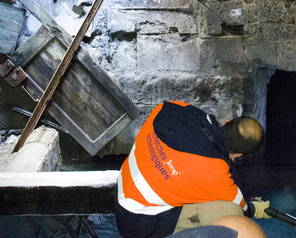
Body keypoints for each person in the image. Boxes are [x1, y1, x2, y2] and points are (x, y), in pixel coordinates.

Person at [115, 101, 272, 238]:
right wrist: (253, 209)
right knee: (232, 213)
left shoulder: (173, 108)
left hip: (122, 189)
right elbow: (241, 205)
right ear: (238, 154)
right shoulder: (217, 173)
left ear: (225, 122)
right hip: (138, 223)